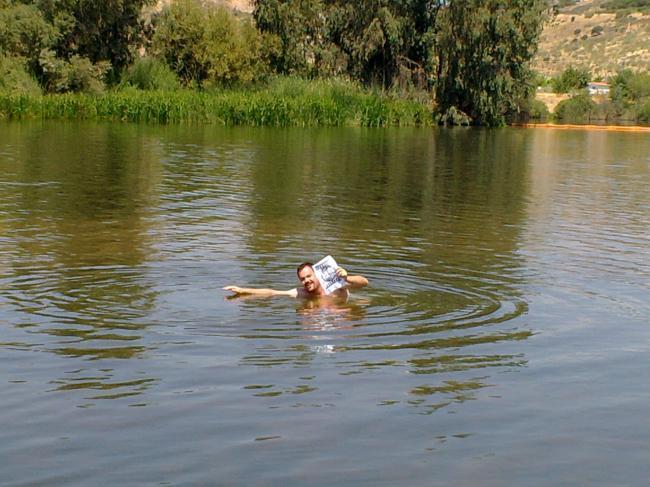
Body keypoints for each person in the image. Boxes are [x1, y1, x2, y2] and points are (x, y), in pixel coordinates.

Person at [223, 262, 368, 299]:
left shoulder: (335, 286)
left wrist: (346, 277)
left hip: (350, 302)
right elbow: (272, 292)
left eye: (309, 276)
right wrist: (242, 290)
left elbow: (364, 282)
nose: (306, 281)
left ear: (317, 275)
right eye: (303, 279)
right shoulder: (301, 293)